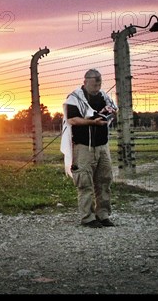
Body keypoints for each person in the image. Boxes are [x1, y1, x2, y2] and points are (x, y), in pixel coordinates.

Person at [60, 68, 118, 228]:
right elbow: (72, 119)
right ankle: (88, 217)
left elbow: (113, 110)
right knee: (84, 182)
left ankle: (103, 215)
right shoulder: (74, 98)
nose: (96, 89)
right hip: (84, 146)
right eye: (93, 86)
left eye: (99, 85)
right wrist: (93, 121)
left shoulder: (104, 96)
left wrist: (109, 114)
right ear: (85, 82)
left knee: (104, 180)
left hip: (102, 145)